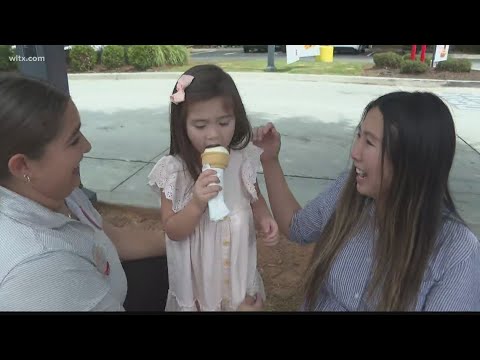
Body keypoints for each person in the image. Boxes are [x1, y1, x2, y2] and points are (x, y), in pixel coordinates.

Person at [253, 91, 480, 311]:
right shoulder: (349, 191)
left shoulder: (456, 252)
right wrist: (270, 159)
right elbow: (296, 227)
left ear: (411, 159)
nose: (355, 152)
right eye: (359, 135)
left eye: (369, 142)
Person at [0, 74, 167, 311]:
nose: (87, 146)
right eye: (73, 140)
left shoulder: (55, 191)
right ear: (22, 166)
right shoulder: (42, 270)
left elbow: (107, 238)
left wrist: (184, 243)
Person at [147, 64, 279, 311]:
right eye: (200, 125)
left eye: (224, 122)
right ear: (182, 125)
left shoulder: (241, 160)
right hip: (199, 286)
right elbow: (172, 230)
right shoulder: (175, 172)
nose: (213, 135)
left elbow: (254, 196)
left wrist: (264, 217)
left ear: (236, 119)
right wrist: (196, 204)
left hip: (237, 274)